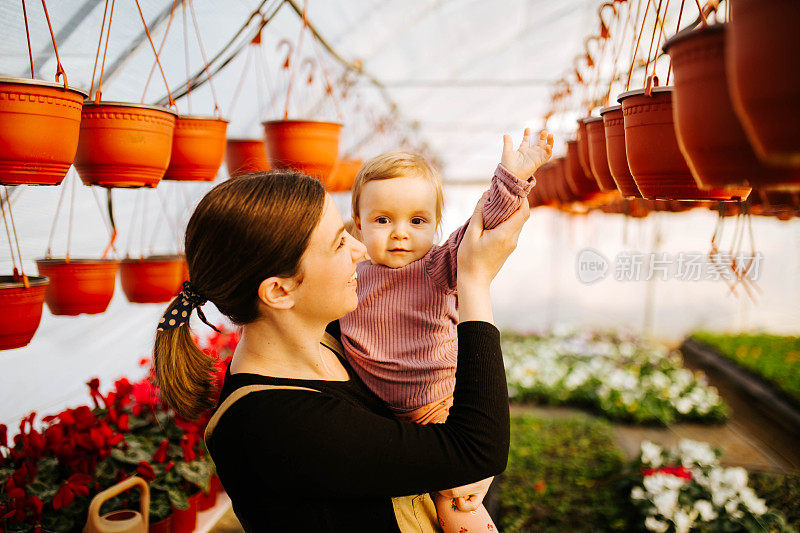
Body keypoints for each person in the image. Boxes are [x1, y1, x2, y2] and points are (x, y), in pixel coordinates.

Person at [153, 167, 530, 532]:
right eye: (338, 242)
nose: (359, 249)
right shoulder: (275, 423)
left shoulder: (331, 339)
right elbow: (478, 449)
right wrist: (474, 282)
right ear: (279, 291)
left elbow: (466, 451)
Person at [341, 129, 552, 532]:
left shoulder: (438, 267)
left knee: (457, 502)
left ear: (437, 224)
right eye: (382, 220)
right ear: (359, 223)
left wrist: (511, 177)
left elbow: (485, 224)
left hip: (438, 410)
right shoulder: (349, 275)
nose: (400, 232)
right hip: (379, 419)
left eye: (417, 220)